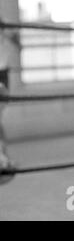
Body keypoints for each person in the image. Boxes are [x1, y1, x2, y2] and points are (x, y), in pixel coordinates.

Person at [0, 19, 16, 183]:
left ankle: (3, 158)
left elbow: (17, 43)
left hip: (2, 73)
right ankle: (3, 158)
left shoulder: (6, 31)